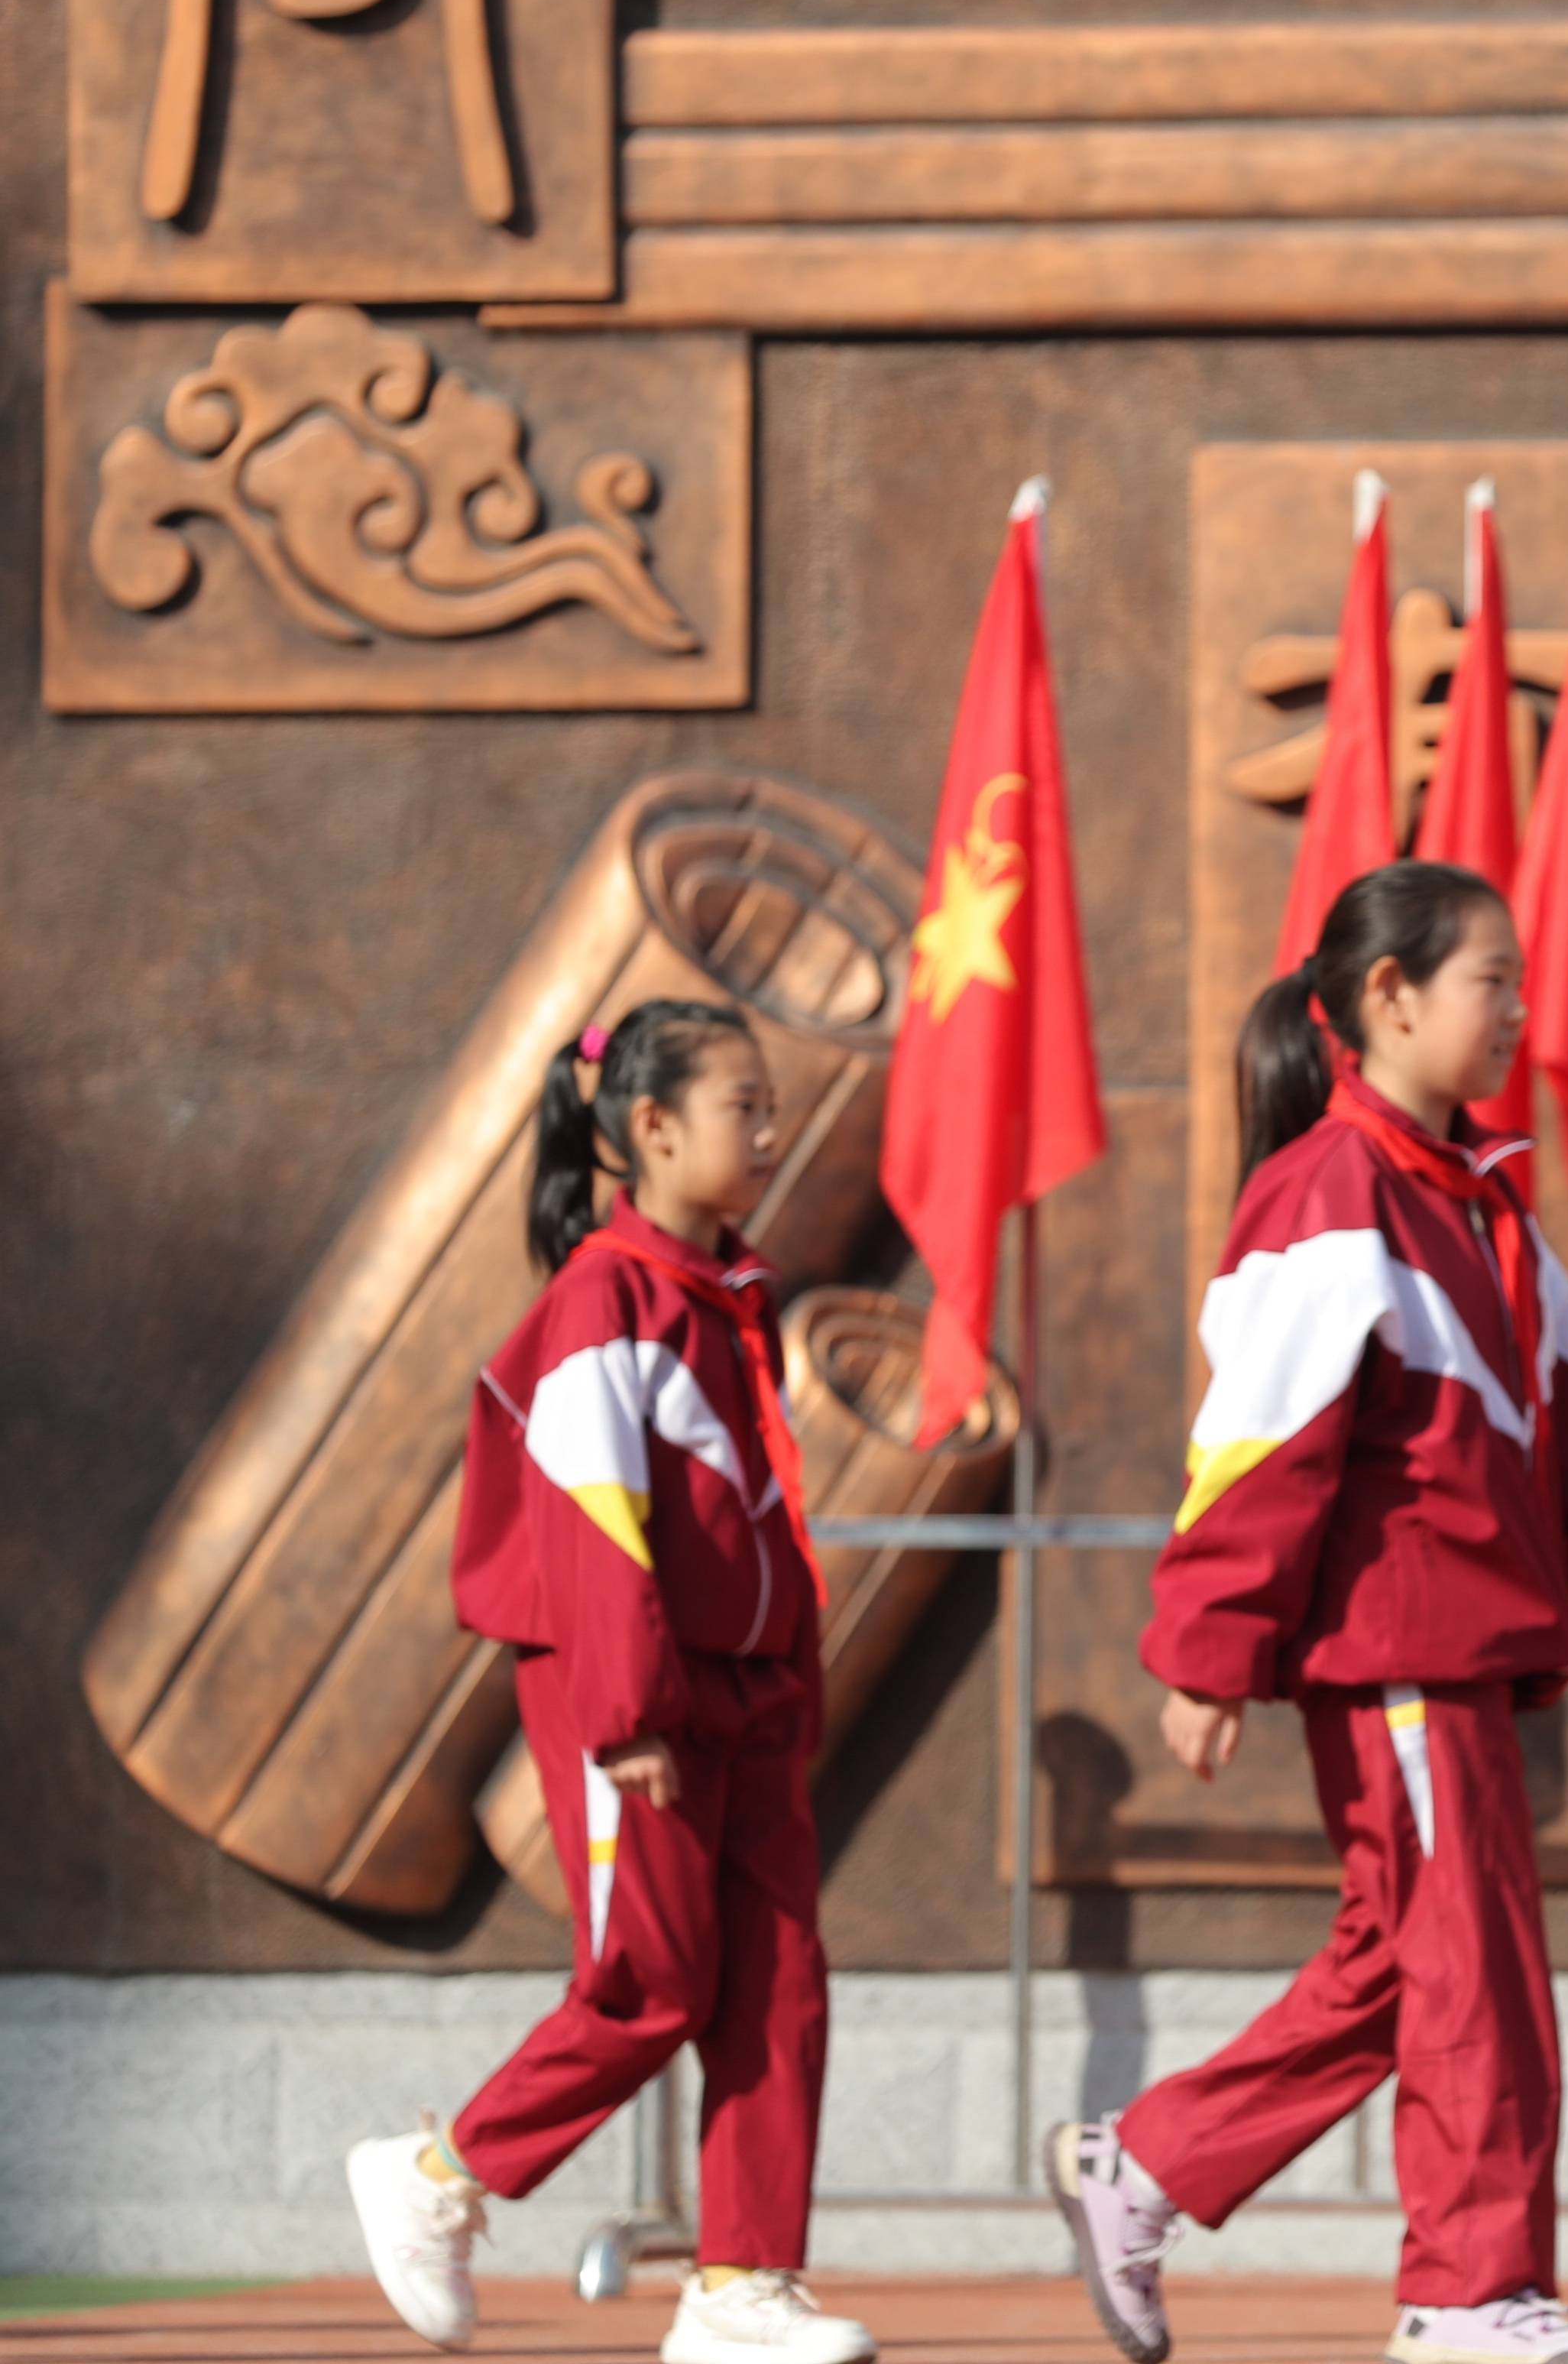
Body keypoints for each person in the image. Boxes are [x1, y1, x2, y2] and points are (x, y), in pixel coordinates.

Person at [1045, 862, 1568, 2364]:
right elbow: (1258, 1448)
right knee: (1470, 1977)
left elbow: (1561, 1462)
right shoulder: (1329, 1197)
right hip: (1402, 1655)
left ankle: (1142, 2169)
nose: (1518, 1012)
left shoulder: (1488, 1211)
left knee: (1405, 1958)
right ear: (1388, 998)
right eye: (1492, 980)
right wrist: (1211, 1654)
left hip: (1466, 1656)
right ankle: (1467, 2295)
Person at [342, 999, 873, 2364]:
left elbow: (759, 1521)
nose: (770, 1132)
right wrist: (628, 1715)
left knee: (778, 1988)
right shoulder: (604, 1299)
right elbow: (592, 1522)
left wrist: (791, 1685)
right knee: (651, 1979)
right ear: (650, 1127)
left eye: (769, 1107)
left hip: (745, 1700)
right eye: (743, 1107)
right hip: (637, 1699)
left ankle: (742, 2288)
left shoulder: (727, 1298)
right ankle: (438, 2178)